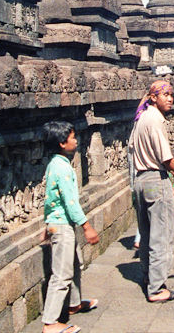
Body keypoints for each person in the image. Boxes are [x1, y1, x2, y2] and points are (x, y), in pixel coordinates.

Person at [130, 80, 174, 302]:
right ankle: (157, 288)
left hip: (140, 180)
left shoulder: (141, 117)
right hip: (155, 180)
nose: (170, 99)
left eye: (171, 94)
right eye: (165, 94)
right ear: (153, 97)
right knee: (162, 235)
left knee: (147, 233)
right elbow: (165, 158)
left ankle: (149, 276)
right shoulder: (154, 119)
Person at [40, 121, 100, 333]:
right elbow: (70, 202)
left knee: (74, 264)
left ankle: (74, 303)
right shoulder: (63, 168)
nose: (76, 140)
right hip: (62, 224)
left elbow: (50, 199)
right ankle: (50, 323)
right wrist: (87, 227)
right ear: (62, 143)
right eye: (73, 137)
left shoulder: (54, 163)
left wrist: (47, 224)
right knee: (61, 274)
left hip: (56, 223)